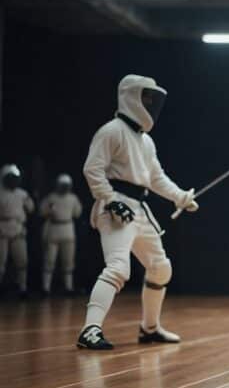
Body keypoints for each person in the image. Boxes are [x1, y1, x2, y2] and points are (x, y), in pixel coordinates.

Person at [77, 74, 199, 350]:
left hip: (138, 210)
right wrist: (109, 199)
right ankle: (89, 330)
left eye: (152, 99)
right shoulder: (111, 130)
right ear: (130, 96)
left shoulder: (146, 142)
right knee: (118, 267)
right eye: (146, 97)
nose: (150, 103)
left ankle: (150, 328)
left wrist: (180, 197)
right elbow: (92, 169)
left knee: (160, 268)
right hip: (116, 207)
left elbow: (156, 178)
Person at [39, 174, 83, 297]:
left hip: (68, 229)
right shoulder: (51, 198)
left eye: (66, 185)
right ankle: (46, 288)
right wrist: (49, 211)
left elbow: (77, 212)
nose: (64, 187)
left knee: (68, 261)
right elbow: (42, 212)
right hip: (53, 229)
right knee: (49, 260)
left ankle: (69, 287)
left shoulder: (73, 198)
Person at [0, 164, 34, 299]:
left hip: (18, 228)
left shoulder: (22, 194)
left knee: (22, 260)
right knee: (1, 262)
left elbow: (30, 208)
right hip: (2, 229)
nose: (14, 181)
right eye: (11, 178)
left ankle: (22, 288)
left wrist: (28, 200)